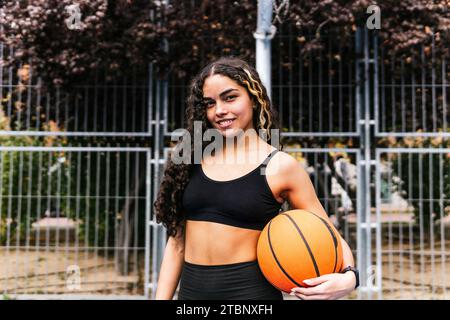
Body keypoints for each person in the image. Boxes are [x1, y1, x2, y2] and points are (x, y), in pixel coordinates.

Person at [153, 56, 358, 300]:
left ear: (253, 97)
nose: (219, 110)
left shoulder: (279, 166)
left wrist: (350, 277)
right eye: (209, 103)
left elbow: (329, 235)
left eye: (230, 97)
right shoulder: (191, 160)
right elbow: (176, 244)